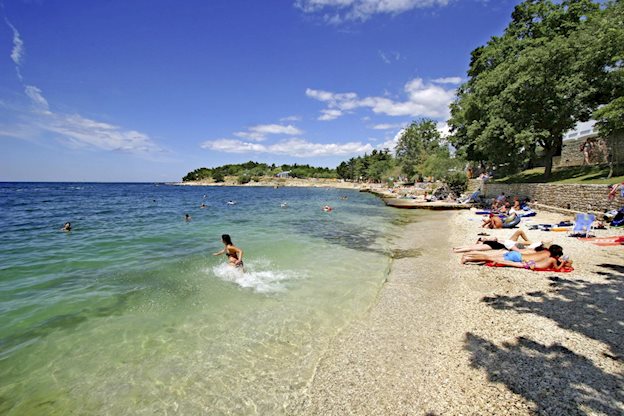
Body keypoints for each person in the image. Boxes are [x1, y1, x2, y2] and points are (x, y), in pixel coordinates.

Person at [461, 244, 571, 270]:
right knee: (488, 258)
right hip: (517, 258)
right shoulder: (549, 257)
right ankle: (468, 258)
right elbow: (554, 265)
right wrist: (562, 261)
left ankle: (468, 254)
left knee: (488, 256)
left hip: (516, 254)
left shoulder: (544, 250)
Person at [452, 229, 549, 253]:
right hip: (496, 245)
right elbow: (518, 251)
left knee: (473, 247)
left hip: (498, 242)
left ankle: (457, 248)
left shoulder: (512, 244)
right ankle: (456, 249)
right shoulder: (515, 245)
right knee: (473, 248)